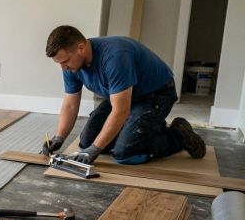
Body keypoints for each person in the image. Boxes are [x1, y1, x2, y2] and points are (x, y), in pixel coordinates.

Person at [41, 25, 206, 165]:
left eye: (65, 62)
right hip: (122, 96)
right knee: (86, 143)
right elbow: (70, 104)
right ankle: (142, 129)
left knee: (125, 153)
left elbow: (121, 111)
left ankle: (177, 135)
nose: (63, 68)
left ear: (81, 48)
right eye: (59, 63)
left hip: (155, 93)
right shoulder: (72, 65)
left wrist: (96, 149)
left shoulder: (114, 56)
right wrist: (59, 137)